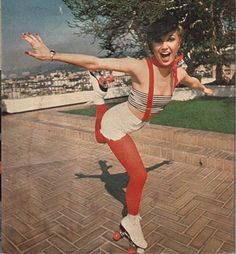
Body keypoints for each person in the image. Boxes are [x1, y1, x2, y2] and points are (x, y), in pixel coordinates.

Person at [21, 15, 214, 250]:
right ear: (151, 46)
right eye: (158, 41)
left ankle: (99, 96)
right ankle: (132, 222)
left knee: (101, 138)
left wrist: (203, 87)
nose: (164, 46)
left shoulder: (178, 74)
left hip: (131, 123)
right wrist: (51, 54)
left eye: (170, 39)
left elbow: (191, 81)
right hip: (118, 123)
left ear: (179, 43)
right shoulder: (139, 67)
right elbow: (94, 62)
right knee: (138, 174)